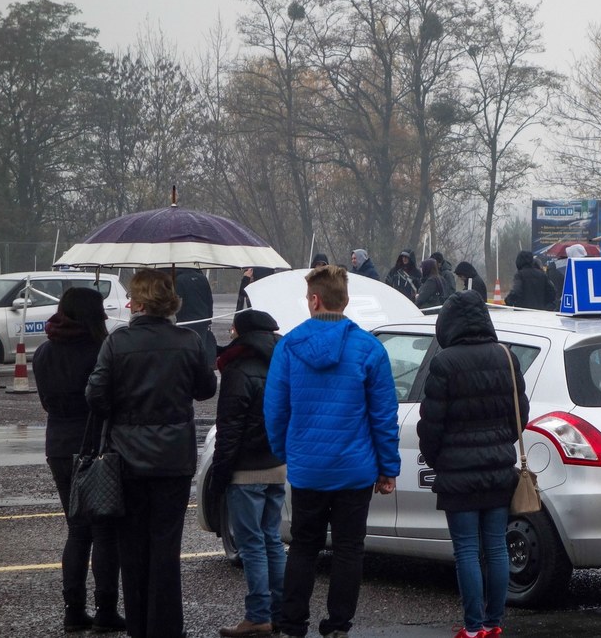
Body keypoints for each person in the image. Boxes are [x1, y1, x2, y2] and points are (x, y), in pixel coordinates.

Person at [264, 265, 400, 638]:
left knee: (304, 547)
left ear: (314, 299)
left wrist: (284, 451)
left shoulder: (289, 346)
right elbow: (383, 415)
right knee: (348, 550)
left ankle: (292, 624)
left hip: (308, 467)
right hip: (355, 469)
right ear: (346, 300)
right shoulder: (369, 348)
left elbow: (275, 410)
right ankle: (338, 625)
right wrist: (387, 467)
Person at [85, 269, 217, 638]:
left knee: (132, 547)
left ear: (140, 303)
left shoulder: (117, 343)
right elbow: (206, 389)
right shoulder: (189, 340)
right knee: (165, 547)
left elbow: (95, 396)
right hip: (174, 458)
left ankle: (140, 627)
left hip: (126, 458)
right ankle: (166, 627)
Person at [416, 291, 527, 638]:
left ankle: (473, 626)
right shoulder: (506, 357)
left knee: (466, 548)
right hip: (498, 469)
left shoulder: (444, 363)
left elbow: (430, 423)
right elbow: (519, 415)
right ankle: (494, 623)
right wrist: (499, 444)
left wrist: (439, 459)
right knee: (495, 546)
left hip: (457, 472)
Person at [34, 287, 124, 633]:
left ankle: (73, 609)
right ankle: (106, 610)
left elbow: (46, 401)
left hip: (57, 443)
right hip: (95, 444)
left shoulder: (44, 352)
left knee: (76, 531)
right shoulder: (101, 350)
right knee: (103, 532)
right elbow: (107, 399)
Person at [210, 309, 286, 638]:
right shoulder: (283, 362)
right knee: (272, 540)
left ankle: (257, 615)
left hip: (246, 469)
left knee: (252, 543)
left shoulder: (238, 369)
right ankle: (281, 611)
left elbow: (230, 428)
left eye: (233, 330)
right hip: (277, 464)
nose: (230, 334)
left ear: (243, 333)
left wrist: (220, 474)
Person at [174, 266, 218, 367]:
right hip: (203, 318)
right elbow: (209, 299)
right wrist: (209, 317)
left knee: (187, 346)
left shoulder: (179, 280)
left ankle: (190, 366)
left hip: (186, 320)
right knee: (201, 344)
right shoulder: (203, 279)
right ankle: (201, 366)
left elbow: (177, 301)